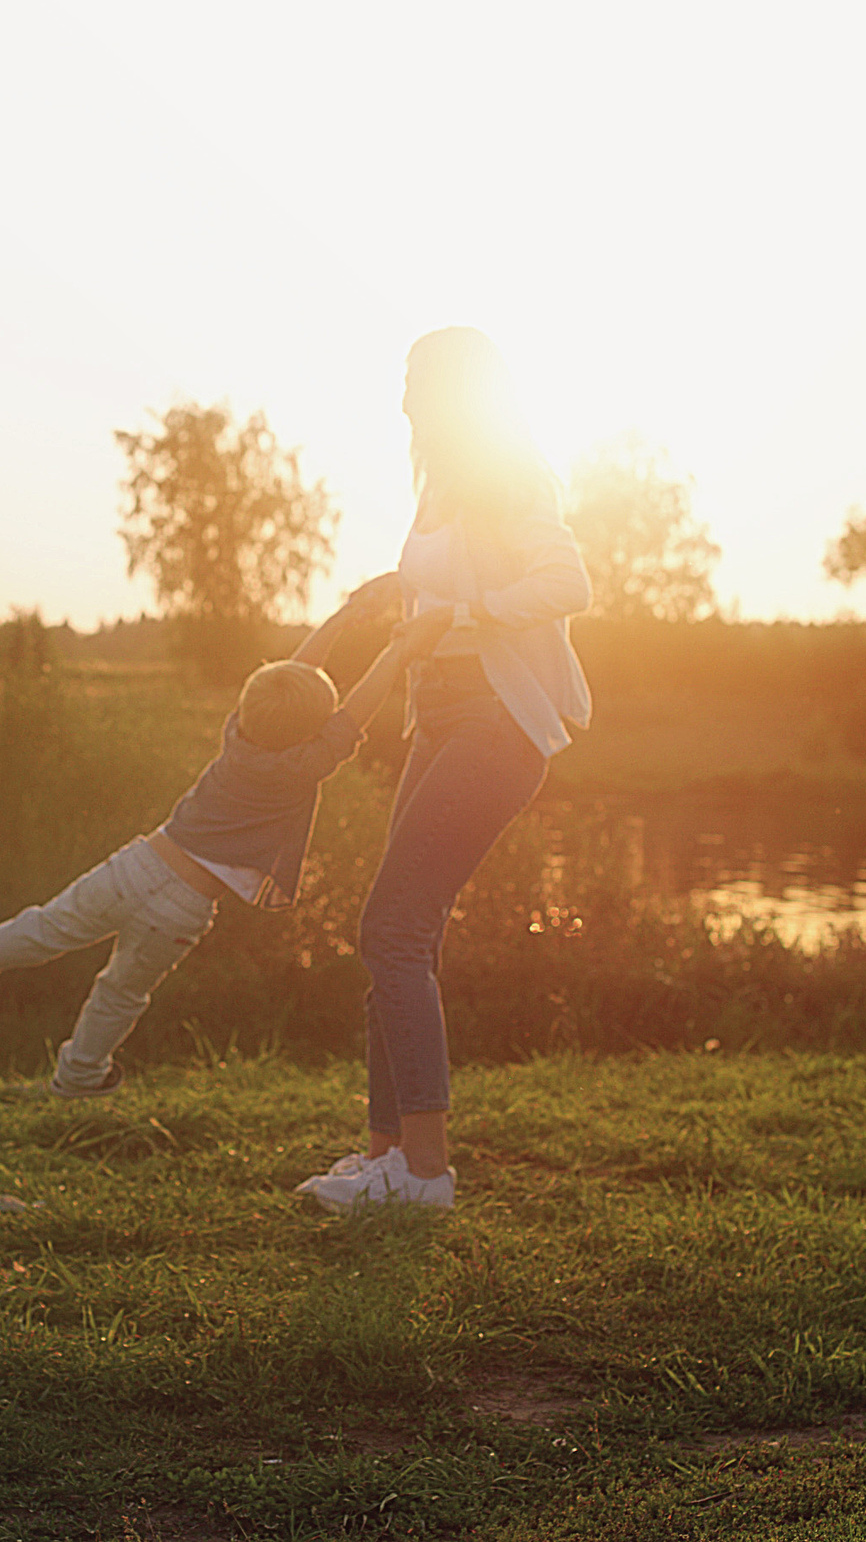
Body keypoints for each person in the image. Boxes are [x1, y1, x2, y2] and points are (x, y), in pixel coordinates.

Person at [0, 576, 456, 1098]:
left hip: (141, 863)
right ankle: (79, 1077)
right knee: (122, 990)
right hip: (183, 905)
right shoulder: (305, 764)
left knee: (47, 925)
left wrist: (342, 617)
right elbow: (355, 710)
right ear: (315, 728)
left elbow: (295, 670)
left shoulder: (239, 733)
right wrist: (398, 654)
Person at [296, 326, 593, 1213]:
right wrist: (393, 597)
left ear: (456, 391)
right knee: (400, 931)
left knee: (390, 924)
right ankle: (385, 1154)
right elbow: (438, 586)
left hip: (497, 723)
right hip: (441, 716)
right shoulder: (439, 491)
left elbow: (568, 580)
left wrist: (464, 611)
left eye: (415, 380)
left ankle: (425, 1174)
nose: (401, 398)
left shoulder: (508, 477)